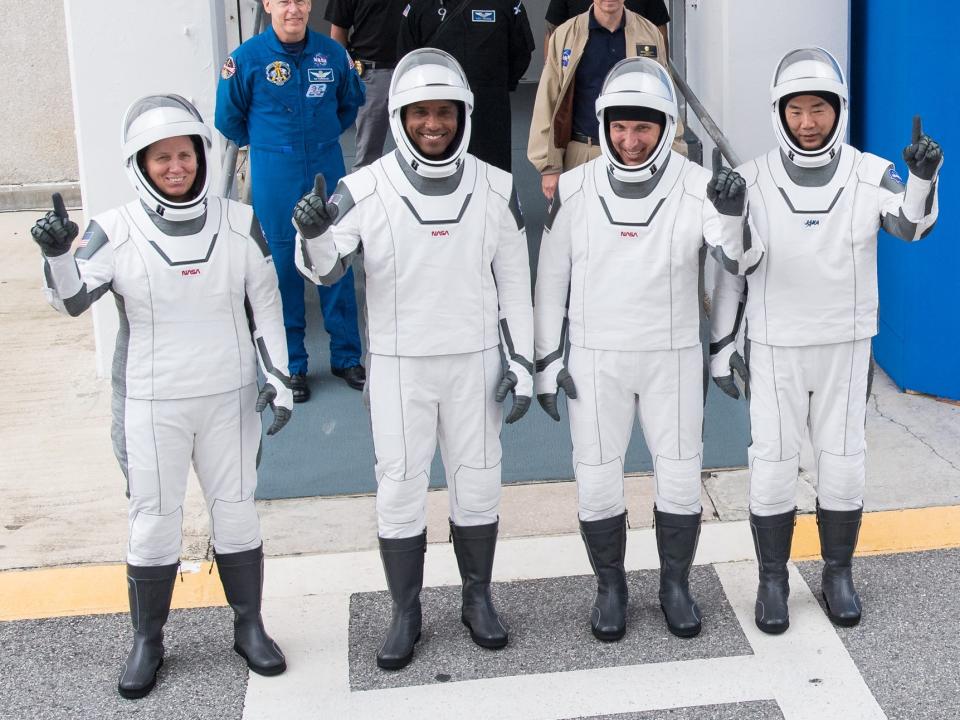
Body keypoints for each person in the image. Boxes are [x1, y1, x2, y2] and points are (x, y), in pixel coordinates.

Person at [30, 95, 292, 698]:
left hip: (229, 395)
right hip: (152, 402)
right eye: (161, 158)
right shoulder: (112, 230)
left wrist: (278, 377)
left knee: (237, 513)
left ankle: (249, 626)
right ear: (140, 164)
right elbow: (71, 301)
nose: (177, 168)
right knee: (154, 523)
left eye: (186, 154)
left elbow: (267, 303)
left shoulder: (239, 220)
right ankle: (148, 641)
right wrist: (57, 256)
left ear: (202, 155)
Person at [293, 49, 533, 669]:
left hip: (476, 363)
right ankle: (406, 611)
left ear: (464, 114)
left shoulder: (495, 186)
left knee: (478, 487)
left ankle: (477, 599)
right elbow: (325, 270)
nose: (434, 124)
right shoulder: (362, 188)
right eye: (421, 112)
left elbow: (515, 283)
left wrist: (525, 362)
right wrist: (315, 234)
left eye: (445, 112)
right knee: (399, 490)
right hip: (401, 366)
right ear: (399, 115)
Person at [710, 47, 942, 634]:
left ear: (839, 110)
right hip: (776, 342)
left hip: (846, 342)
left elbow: (910, 226)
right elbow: (739, 262)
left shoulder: (871, 171)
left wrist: (920, 179)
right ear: (779, 113)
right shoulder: (753, 178)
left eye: (820, 108)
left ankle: (837, 572)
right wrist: (731, 213)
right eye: (797, 110)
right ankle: (772, 579)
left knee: (843, 464)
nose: (808, 122)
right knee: (772, 464)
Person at [534, 57, 761, 641]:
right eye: (619, 127)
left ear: (665, 127)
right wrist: (545, 360)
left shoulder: (696, 185)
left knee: (681, 478)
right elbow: (549, 276)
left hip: (672, 356)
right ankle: (611, 587)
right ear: (604, 122)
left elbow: (736, 263)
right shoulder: (576, 186)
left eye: (645, 128)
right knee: (597, 479)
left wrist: (733, 218)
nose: (630, 141)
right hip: (594, 358)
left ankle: (674, 585)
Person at [216, 0, 367, 401]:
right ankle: (293, 365)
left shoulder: (332, 53)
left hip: (324, 165)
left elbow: (349, 104)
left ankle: (347, 357)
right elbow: (228, 119)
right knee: (281, 267)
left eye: (300, 0)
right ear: (267, 5)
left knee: (334, 258)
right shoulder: (245, 59)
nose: (293, 9)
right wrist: (268, 146)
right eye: (283, 0)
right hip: (274, 171)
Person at [527, 0, 683, 202]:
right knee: (579, 229)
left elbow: (664, 97)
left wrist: (676, 153)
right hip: (583, 153)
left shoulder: (649, 33)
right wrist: (549, 167)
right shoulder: (566, 35)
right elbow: (547, 100)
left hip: (635, 155)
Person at [396, 0, 535, 172]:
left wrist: (495, 86)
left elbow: (521, 54)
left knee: (491, 174)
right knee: (435, 171)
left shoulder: (507, 4)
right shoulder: (420, 5)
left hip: (489, 110)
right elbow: (407, 59)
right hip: (436, 112)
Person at [326, 0, 410, 170]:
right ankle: (364, 194)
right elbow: (338, 32)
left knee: (415, 146)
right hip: (372, 72)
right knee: (368, 154)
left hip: (410, 72)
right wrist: (346, 73)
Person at [543, 0, 669, 60]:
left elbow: (660, 32)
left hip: (633, 75)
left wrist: (662, 73)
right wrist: (551, 73)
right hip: (583, 77)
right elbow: (552, 32)